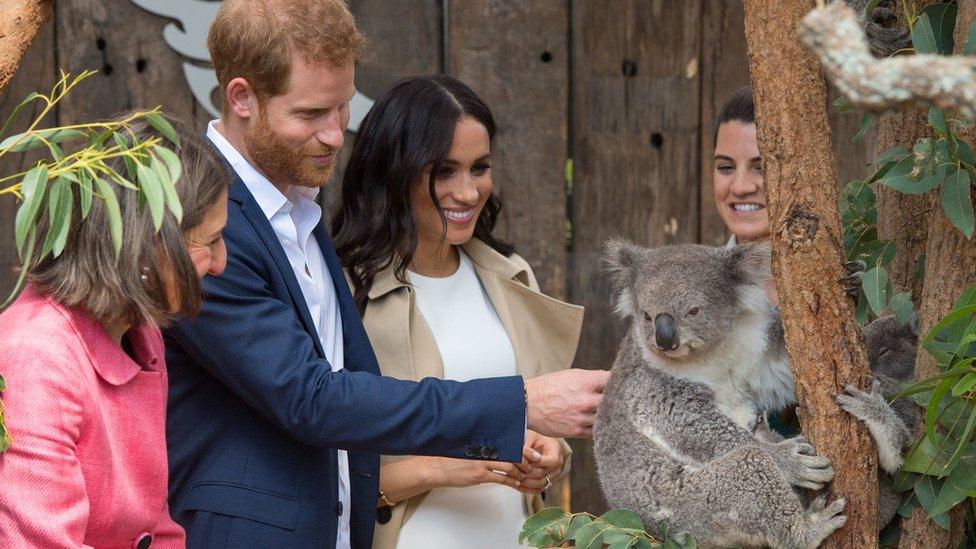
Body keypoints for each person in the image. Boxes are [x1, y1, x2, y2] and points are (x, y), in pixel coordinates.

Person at [162, 1, 609, 548]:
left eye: (342, 109)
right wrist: (517, 405)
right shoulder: (208, 222)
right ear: (241, 98)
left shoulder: (299, 209)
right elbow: (312, 400)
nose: (333, 135)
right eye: (310, 114)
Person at [332, 75, 582, 549]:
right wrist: (441, 465)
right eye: (444, 171)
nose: (467, 192)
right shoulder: (346, 291)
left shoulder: (510, 278)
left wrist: (550, 455)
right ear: (394, 171)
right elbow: (328, 472)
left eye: (479, 167)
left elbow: (535, 420)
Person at [0, 117, 229, 548]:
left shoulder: (141, 336)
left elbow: (156, 528)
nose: (221, 262)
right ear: (148, 244)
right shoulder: (38, 357)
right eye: (209, 241)